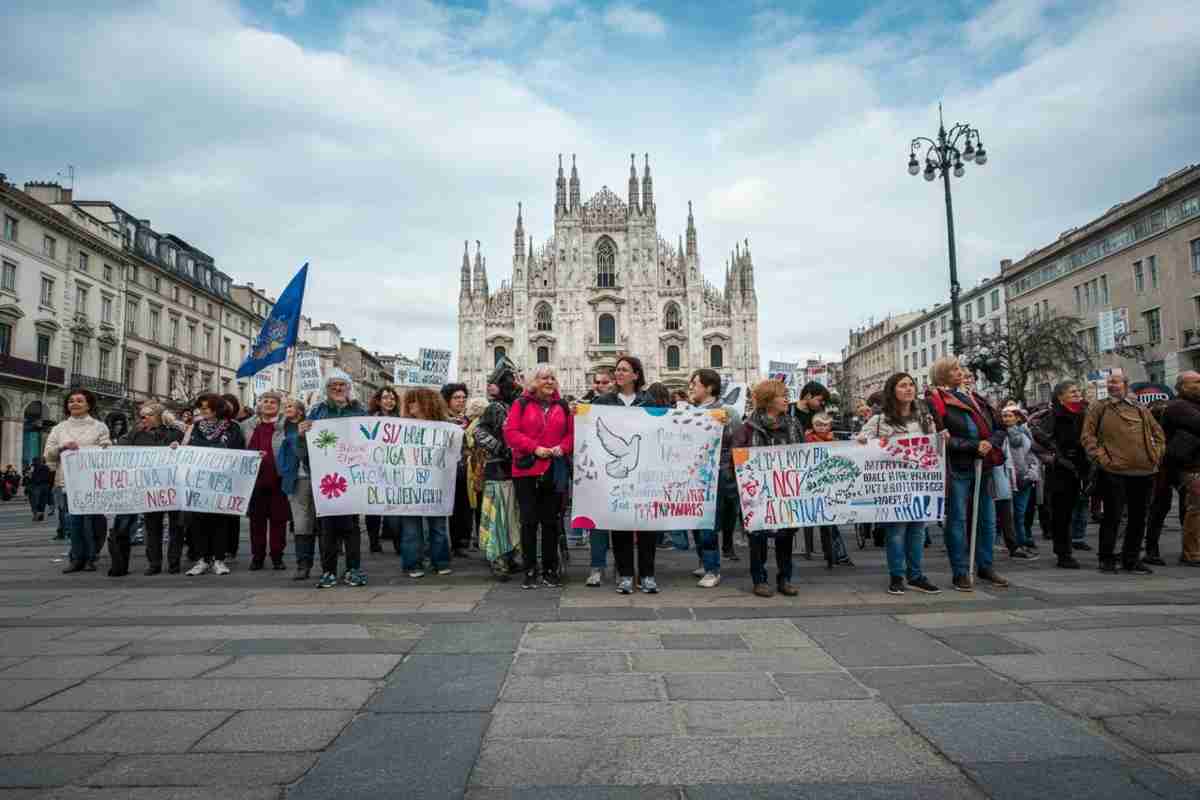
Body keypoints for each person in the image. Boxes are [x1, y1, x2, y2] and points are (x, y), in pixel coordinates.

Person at [927, 357, 1008, 591]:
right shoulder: (936, 401)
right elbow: (941, 439)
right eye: (954, 369)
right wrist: (974, 446)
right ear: (942, 374)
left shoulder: (977, 399)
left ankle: (985, 565)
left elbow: (999, 427)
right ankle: (960, 571)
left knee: (987, 519)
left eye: (960, 368)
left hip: (984, 466)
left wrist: (989, 443)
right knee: (958, 520)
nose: (960, 372)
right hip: (959, 467)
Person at [858, 372, 941, 594]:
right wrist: (863, 441)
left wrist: (941, 440)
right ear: (892, 390)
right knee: (896, 530)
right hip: (894, 486)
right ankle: (897, 575)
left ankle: (915, 574)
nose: (908, 389)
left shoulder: (925, 419)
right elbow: (861, 444)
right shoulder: (878, 421)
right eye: (903, 385)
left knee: (917, 530)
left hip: (919, 482)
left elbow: (933, 445)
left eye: (911, 385)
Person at [1081, 369, 1164, 574]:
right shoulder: (1099, 408)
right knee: (1112, 516)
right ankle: (1106, 558)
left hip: (1144, 470)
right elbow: (1087, 436)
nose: (1112, 385)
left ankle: (1131, 559)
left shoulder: (1140, 408)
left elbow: (1158, 434)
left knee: (1139, 517)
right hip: (1114, 471)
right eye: (1109, 382)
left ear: (1126, 385)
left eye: (1116, 382)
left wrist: (1156, 455)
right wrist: (1102, 458)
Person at [504, 365, 574, 589]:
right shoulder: (521, 404)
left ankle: (551, 569)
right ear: (534, 382)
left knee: (551, 522)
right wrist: (534, 448)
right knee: (529, 522)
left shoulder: (562, 406)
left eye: (553, 378)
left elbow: (571, 435)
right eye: (544, 378)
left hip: (553, 469)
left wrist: (562, 448)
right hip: (527, 470)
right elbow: (511, 433)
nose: (550, 381)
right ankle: (530, 569)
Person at [592, 356, 657, 593]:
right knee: (619, 523)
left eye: (624, 370)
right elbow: (592, 428)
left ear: (636, 375)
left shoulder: (648, 401)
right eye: (617, 370)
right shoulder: (604, 401)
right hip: (617, 473)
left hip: (645, 474)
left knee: (647, 525)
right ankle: (626, 575)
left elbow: (669, 425)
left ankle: (648, 574)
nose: (618, 373)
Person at [300, 370, 369, 588]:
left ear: (349, 388)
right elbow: (304, 450)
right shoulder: (317, 412)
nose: (338, 389)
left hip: (352, 475)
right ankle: (328, 571)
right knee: (327, 526)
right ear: (327, 389)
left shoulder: (360, 411)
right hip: (326, 478)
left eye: (342, 385)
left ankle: (353, 569)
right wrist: (302, 434)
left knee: (351, 527)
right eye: (333, 386)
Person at [732, 379, 801, 597]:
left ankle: (785, 578)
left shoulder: (793, 425)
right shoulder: (746, 429)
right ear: (768, 400)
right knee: (758, 536)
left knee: (786, 536)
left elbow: (804, 453)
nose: (786, 399)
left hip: (785, 489)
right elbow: (735, 458)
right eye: (782, 395)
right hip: (757, 493)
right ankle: (759, 579)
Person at [44, 388, 112, 573]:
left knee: (93, 520)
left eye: (79, 401)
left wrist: (104, 448)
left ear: (88, 405)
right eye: (71, 401)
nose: (74, 403)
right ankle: (76, 558)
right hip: (68, 482)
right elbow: (48, 452)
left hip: (92, 482)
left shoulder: (99, 427)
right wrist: (62, 447)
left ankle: (92, 556)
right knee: (73, 521)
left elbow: (107, 450)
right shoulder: (59, 428)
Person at [180, 393, 245, 576]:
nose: (203, 411)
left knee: (220, 521)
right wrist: (177, 449)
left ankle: (218, 559)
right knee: (199, 521)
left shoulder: (232, 427)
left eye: (206, 407)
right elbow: (186, 449)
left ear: (217, 408)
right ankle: (202, 559)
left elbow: (239, 450)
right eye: (201, 407)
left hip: (222, 482)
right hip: (199, 482)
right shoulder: (195, 428)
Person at [115, 403, 184, 575]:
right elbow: (118, 450)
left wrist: (178, 447)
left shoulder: (175, 433)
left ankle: (174, 562)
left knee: (176, 526)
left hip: (174, 486)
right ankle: (154, 563)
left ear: (160, 416)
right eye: (142, 415)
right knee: (152, 527)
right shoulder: (135, 434)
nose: (143, 418)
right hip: (149, 488)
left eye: (148, 415)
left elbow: (188, 452)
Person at [686, 368, 740, 588]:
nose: (691, 387)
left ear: (709, 387)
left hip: (717, 474)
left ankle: (712, 569)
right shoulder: (690, 411)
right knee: (696, 521)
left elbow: (737, 443)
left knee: (708, 523)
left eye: (694, 384)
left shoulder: (727, 413)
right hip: (693, 474)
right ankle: (703, 561)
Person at [394, 388, 455, 579]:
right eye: (409, 401)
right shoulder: (401, 426)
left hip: (436, 482)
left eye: (416, 401)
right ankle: (413, 563)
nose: (411, 405)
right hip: (410, 483)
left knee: (438, 524)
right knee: (411, 527)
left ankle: (441, 561)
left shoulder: (444, 427)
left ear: (428, 403)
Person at [475, 358, 523, 580]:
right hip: (498, 472)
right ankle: (498, 559)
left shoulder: (515, 405)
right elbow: (479, 433)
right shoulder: (495, 407)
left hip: (514, 472)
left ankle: (511, 555)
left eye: (494, 382)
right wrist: (503, 450)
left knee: (512, 516)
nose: (489, 386)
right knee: (498, 518)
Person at [241, 391, 291, 571]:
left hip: (278, 480)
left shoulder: (287, 425)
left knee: (279, 520)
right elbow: (240, 449)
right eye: (265, 401)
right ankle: (257, 557)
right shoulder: (246, 426)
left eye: (273, 402)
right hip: (254, 481)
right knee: (256, 521)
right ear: (259, 404)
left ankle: (277, 556)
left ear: (279, 406)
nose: (269, 404)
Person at [805, 413, 853, 567]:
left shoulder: (835, 441)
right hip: (813, 486)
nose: (822, 428)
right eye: (818, 424)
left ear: (830, 426)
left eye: (825, 425)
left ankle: (833, 554)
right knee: (824, 522)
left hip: (831, 487)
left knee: (830, 522)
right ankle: (835, 554)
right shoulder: (806, 440)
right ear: (813, 426)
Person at [1162, 371, 1200, 566]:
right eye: (1197, 382)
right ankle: (1192, 553)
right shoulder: (1179, 406)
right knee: (1195, 509)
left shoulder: (1192, 405)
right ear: (1183, 386)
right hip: (1189, 467)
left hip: (1193, 465)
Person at [583, 368, 616, 586]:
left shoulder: (622, 406)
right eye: (597, 382)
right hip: (596, 470)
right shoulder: (586, 407)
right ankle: (597, 566)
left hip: (621, 470)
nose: (599, 386)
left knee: (621, 522)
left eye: (604, 382)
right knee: (597, 522)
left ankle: (623, 567)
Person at [280, 398, 318, 580]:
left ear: (301, 411)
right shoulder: (280, 428)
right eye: (285, 406)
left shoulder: (313, 425)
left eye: (290, 406)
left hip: (318, 477)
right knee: (302, 523)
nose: (286, 409)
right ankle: (303, 564)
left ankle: (329, 563)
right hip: (296, 480)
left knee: (321, 522)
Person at [999, 404, 1039, 560]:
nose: (1007, 419)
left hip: (1025, 478)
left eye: (1010, 416)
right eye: (1004, 416)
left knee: (1020, 514)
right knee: (1010, 514)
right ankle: (1015, 543)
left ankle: (1021, 543)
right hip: (1007, 479)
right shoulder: (1000, 434)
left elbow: (1032, 455)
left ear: (1017, 417)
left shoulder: (1025, 433)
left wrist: (1032, 473)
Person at [366, 385, 402, 554]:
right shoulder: (369, 419)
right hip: (373, 469)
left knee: (393, 508)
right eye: (386, 398)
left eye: (393, 398)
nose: (390, 401)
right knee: (373, 508)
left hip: (395, 470)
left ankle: (398, 543)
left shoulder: (403, 419)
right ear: (379, 401)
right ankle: (374, 541)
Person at [442, 382, 473, 558]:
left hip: (466, 470)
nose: (461, 401)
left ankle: (462, 541)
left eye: (463, 397)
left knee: (465, 506)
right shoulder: (441, 420)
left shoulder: (468, 420)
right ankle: (450, 541)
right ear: (448, 400)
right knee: (450, 506)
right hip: (447, 469)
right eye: (456, 398)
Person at [220, 393, 245, 563]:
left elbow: (242, 447)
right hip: (214, 476)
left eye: (230, 405)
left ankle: (231, 548)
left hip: (232, 475)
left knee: (231, 515)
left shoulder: (236, 427)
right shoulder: (205, 424)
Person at [463, 396, 490, 548]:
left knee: (478, 502)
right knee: (480, 503)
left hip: (477, 467)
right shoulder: (481, 423)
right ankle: (481, 536)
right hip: (479, 466)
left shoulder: (474, 425)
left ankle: (480, 536)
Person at [27, 457, 52, 522]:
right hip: (45, 486)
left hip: (36, 486)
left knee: (34, 501)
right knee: (42, 501)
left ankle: (36, 515)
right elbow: (50, 477)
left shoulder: (33, 467)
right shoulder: (47, 467)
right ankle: (41, 514)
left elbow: (30, 477)